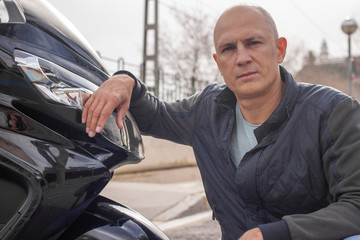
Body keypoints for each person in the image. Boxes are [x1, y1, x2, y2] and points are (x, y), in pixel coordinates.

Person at [82, 4, 360, 240]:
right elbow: (155, 114)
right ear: (218, 62)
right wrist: (125, 81)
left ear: (280, 49)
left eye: (253, 43)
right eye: (228, 49)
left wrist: (276, 233)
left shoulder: (334, 112)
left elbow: (356, 205)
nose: (242, 58)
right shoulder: (206, 110)